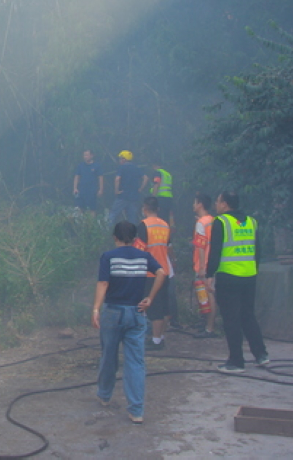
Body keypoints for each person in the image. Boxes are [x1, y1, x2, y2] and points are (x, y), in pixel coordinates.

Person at [93, 221, 166, 424]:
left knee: (109, 355)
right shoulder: (143, 257)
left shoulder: (108, 257)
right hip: (136, 312)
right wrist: (150, 298)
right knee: (135, 362)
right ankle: (136, 410)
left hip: (113, 312)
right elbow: (161, 272)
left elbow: (103, 283)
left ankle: (104, 395)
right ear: (135, 239)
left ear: (115, 237)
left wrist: (96, 308)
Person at [206, 191, 268, 373]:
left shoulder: (221, 221)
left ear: (225, 204)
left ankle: (236, 361)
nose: (216, 205)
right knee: (248, 315)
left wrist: (209, 275)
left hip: (229, 277)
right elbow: (258, 251)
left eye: (218, 201)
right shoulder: (251, 221)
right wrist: (254, 271)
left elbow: (215, 251)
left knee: (231, 319)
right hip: (249, 276)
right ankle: (261, 355)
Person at [134, 197, 171, 351]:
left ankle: (155, 341)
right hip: (165, 270)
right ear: (158, 209)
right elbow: (168, 247)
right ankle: (159, 337)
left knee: (152, 306)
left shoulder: (144, 225)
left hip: (150, 273)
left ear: (145, 208)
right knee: (162, 306)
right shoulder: (165, 225)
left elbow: (139, 250)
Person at [192, 193, 219, 338]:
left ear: (200, 204)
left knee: (207, 296)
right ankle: (207, 324)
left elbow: (201, 246)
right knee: (206, 295)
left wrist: (202, 267)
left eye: (195, 202)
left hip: (204, 265)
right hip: (213, 262)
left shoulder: (201, 223)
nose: (193, 205)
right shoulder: (213, 220)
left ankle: (209, 328)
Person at [108, 151, 148, 227]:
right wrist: (140, 189)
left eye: (120, 159)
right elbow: (145, 178)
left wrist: (116, 190)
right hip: (134, 197)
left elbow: (117, 179)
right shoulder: (136, 168)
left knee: (113, 214)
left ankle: (107, 232)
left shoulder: (122, 167)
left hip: (123, 196)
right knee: (132, 218)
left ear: (124, 159)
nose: (119, 160)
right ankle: (133, 235)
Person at [150, 163, 175, 228]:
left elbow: (156, 184)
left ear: (154, 166)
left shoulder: (158, 172)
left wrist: (153, 197)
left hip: (161, 198)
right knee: (166, 219)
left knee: (160, 218)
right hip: (169, 198)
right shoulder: (167, 174)